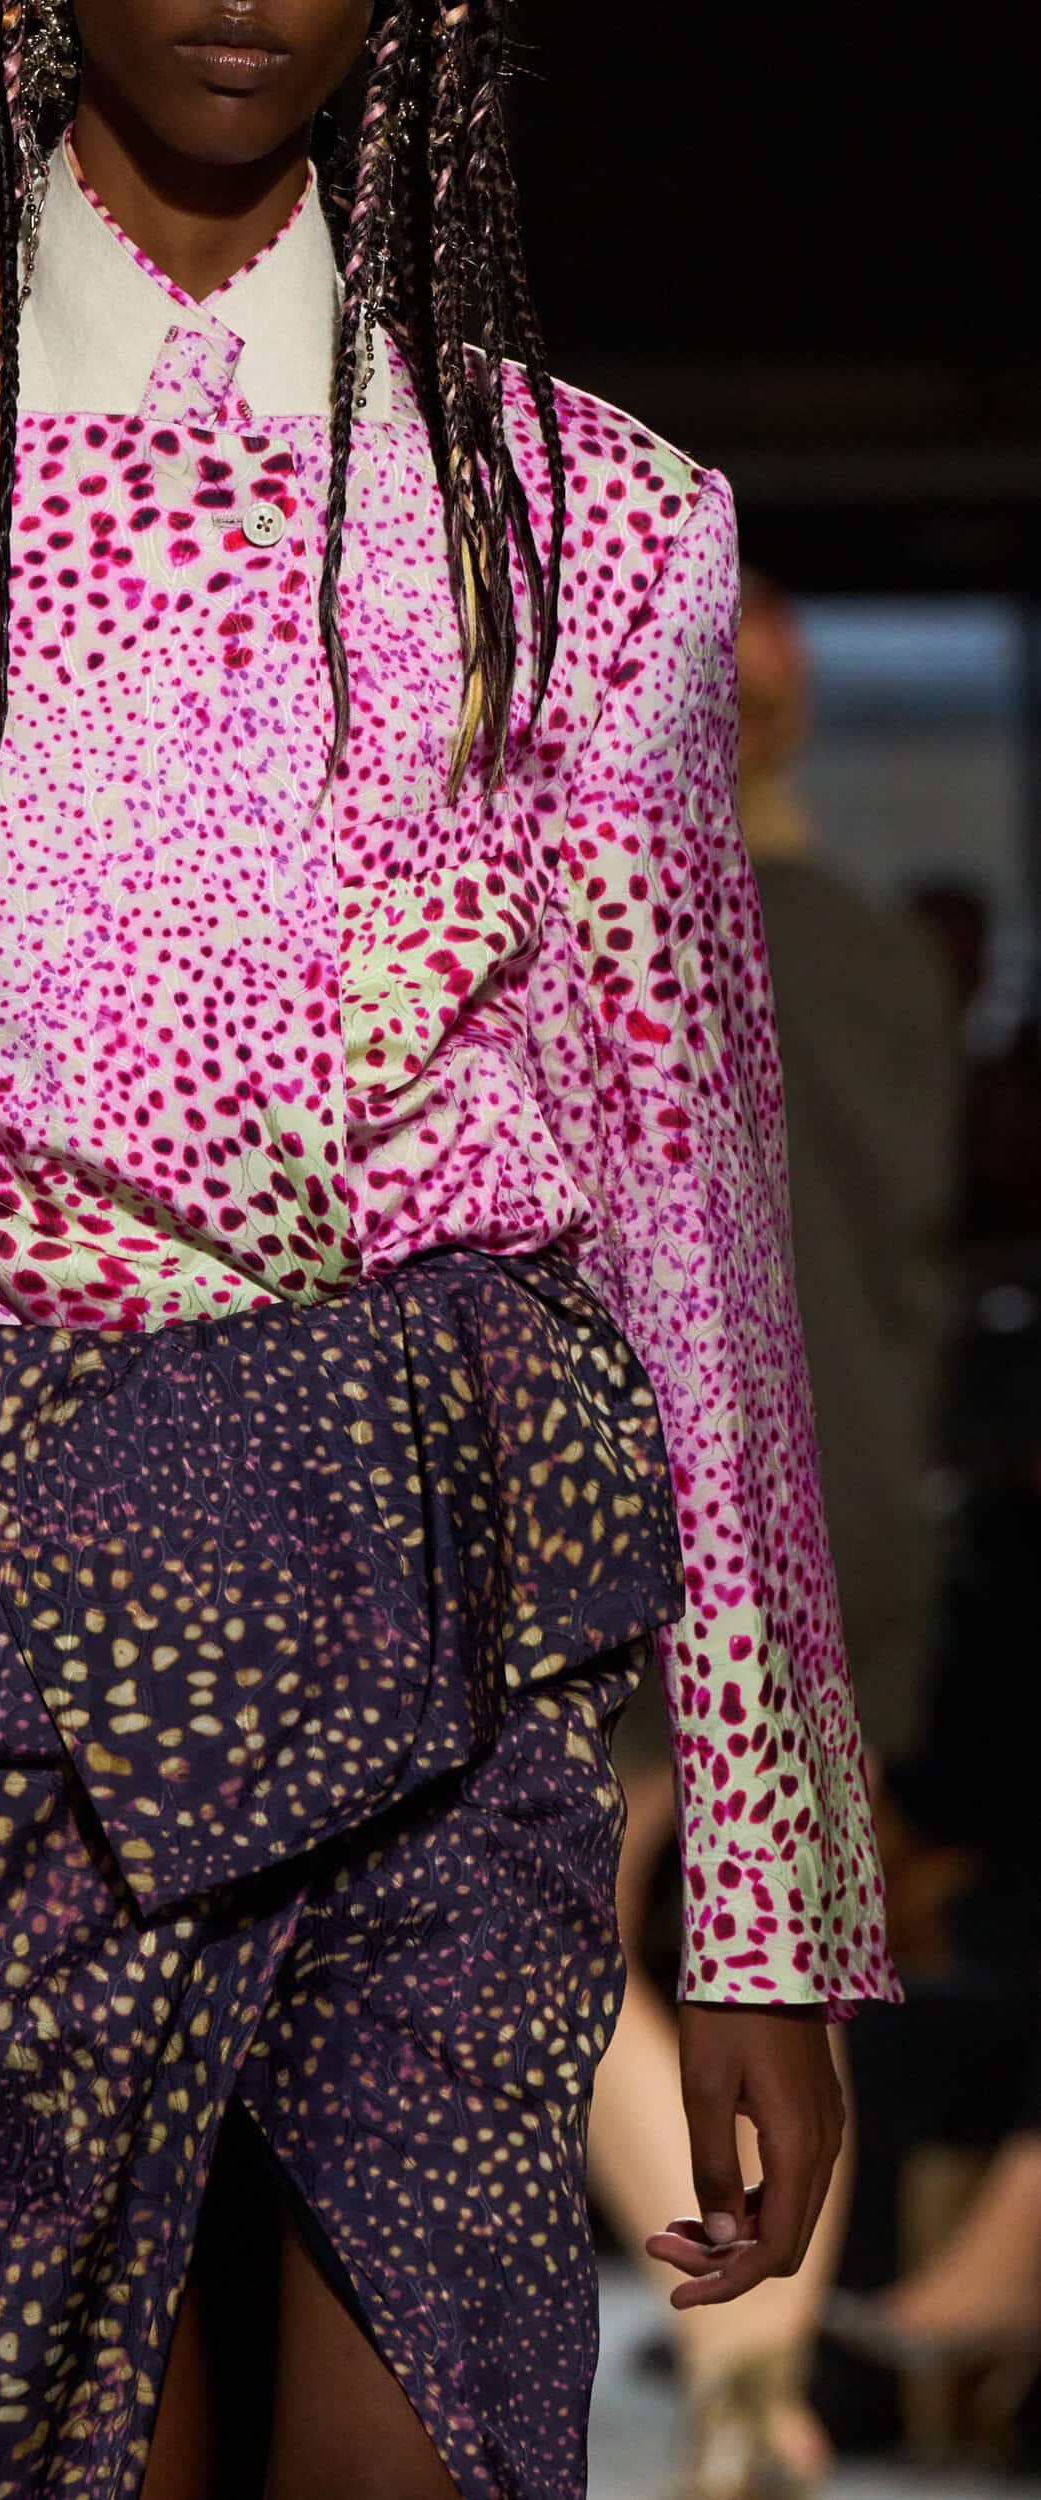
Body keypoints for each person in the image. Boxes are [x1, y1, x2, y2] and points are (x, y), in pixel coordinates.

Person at [0, 6, 896, 2494]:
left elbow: (694, 1206)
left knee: (432, 2447)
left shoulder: (595, 511)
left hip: (446, 1591)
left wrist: (765, 1883)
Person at [584, 570, 959, 2497]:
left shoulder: (598, 931)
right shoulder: (882, 960)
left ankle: (737, 2353)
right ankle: (769, 2365)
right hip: (851, 1490)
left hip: (640, 1477)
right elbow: (910, 1263)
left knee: (573, 1937)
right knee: (782, 1943)